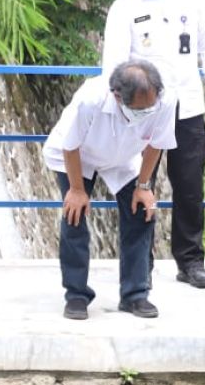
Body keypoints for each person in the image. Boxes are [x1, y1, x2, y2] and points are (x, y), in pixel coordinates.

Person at [101, 0, 205, 290]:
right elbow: (113, 64)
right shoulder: (125, 6)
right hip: (143, 112)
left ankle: (190, 262)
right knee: (141, 185)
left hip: (187, 106)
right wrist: (121, 111)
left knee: (190, 187)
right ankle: (142, 265)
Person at [43, 60, 176, 320]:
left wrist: (144, 186)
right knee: (74, 216)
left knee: (142, 213)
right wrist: (78, 190)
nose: (147, 112)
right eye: (140, 109)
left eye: (151, 106)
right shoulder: (90, 99)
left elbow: (157, 143)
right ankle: (77, 295)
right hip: (77, 156)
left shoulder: (166, 100)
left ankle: (135, 295)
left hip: (124, 156)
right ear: (117, 97)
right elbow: (70, 146)